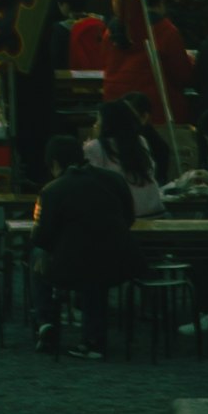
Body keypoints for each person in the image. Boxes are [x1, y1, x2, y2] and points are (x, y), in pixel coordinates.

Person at [33, 129, 137, 353]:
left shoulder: (52, 191)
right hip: (120, 262)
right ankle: (93, 341)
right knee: (95, 263)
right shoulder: (115, 180)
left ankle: (46, 321)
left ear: (54, 163)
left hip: (72, 266)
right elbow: (129, 218)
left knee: (38, 256)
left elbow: (41, 237)